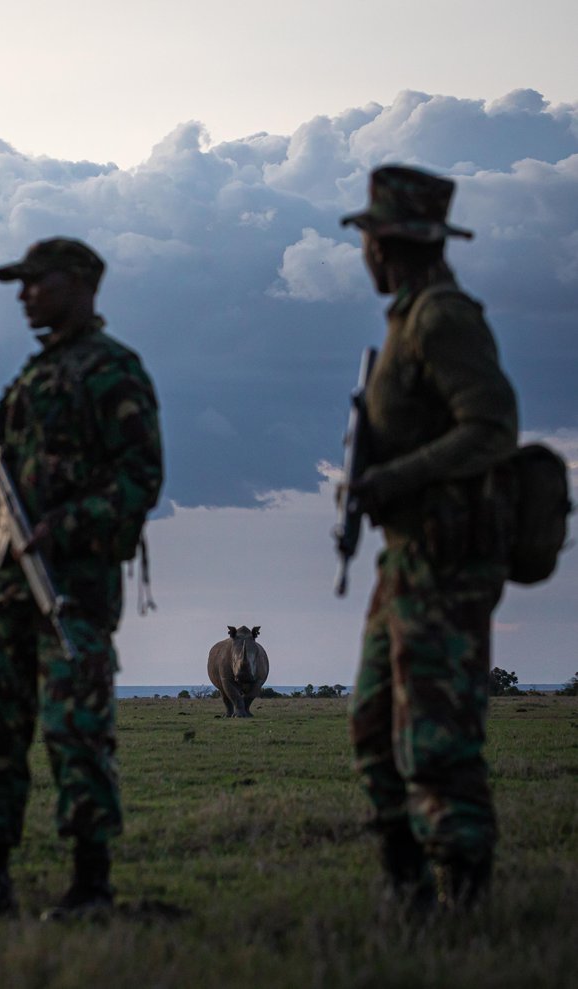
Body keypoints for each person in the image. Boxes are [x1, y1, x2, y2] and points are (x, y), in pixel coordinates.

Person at [0, 238, 163, 922]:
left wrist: (59, 527)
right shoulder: (32, 378)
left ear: (84, 282)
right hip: (2, 591)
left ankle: (91, 886)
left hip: (70, 589)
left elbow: (139, 479)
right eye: (20, 283)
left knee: (77, 732)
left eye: (38, 281)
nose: (25, 294)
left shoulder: (114, 370)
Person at [340, 166, 518, 910]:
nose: (364, 255)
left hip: (445, 565)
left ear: (389, 243)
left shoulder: (442, 317)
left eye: (368, 240)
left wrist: (395, 479)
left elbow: (492, 428)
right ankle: (406, 885)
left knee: (437, 738)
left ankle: (464, 896)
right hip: (405, 561)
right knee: (374, 724)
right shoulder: (406, 319)